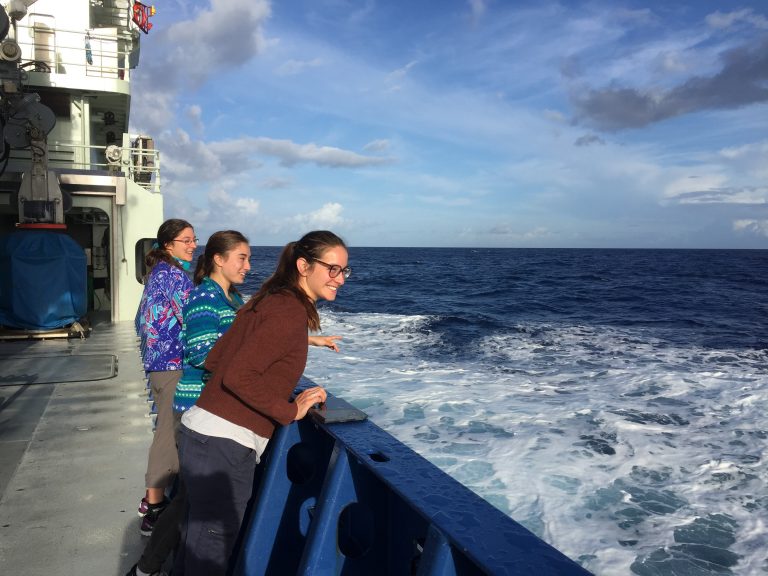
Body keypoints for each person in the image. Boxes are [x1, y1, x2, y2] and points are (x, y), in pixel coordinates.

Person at [127, 231, 343, 576]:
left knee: (193, 546)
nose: (340, 279)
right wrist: (291, 409)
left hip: (203, 432)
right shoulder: (287, 309)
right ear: (303, 266)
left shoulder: (269, 298)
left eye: (344, 271)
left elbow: (218, 359)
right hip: (225, 445)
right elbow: (236, 376)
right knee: (208, 555)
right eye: (332, 269)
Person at [135, 219, 197, 535]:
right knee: (166, 434)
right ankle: (154, 507)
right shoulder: (173, 277)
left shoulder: (159, 272)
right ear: (169, 244)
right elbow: (193, 318)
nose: (193, 245)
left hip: (160, 363)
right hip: (172, 365)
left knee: (166, 430)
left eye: (194, 239)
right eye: (186, 240)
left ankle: (151, 500)